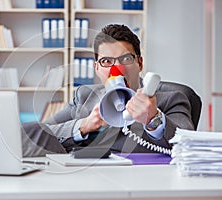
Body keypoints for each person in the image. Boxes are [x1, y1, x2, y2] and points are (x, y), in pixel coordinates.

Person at [21, 24, 195, 157]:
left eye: (126, 58)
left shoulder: (172, 98)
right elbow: (40, 133)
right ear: (97, 68)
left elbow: (190, 144)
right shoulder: (84, 96)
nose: (117, 68)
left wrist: (153, 119)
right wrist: (83, 125)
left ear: (139, 63)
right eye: (106, 61)